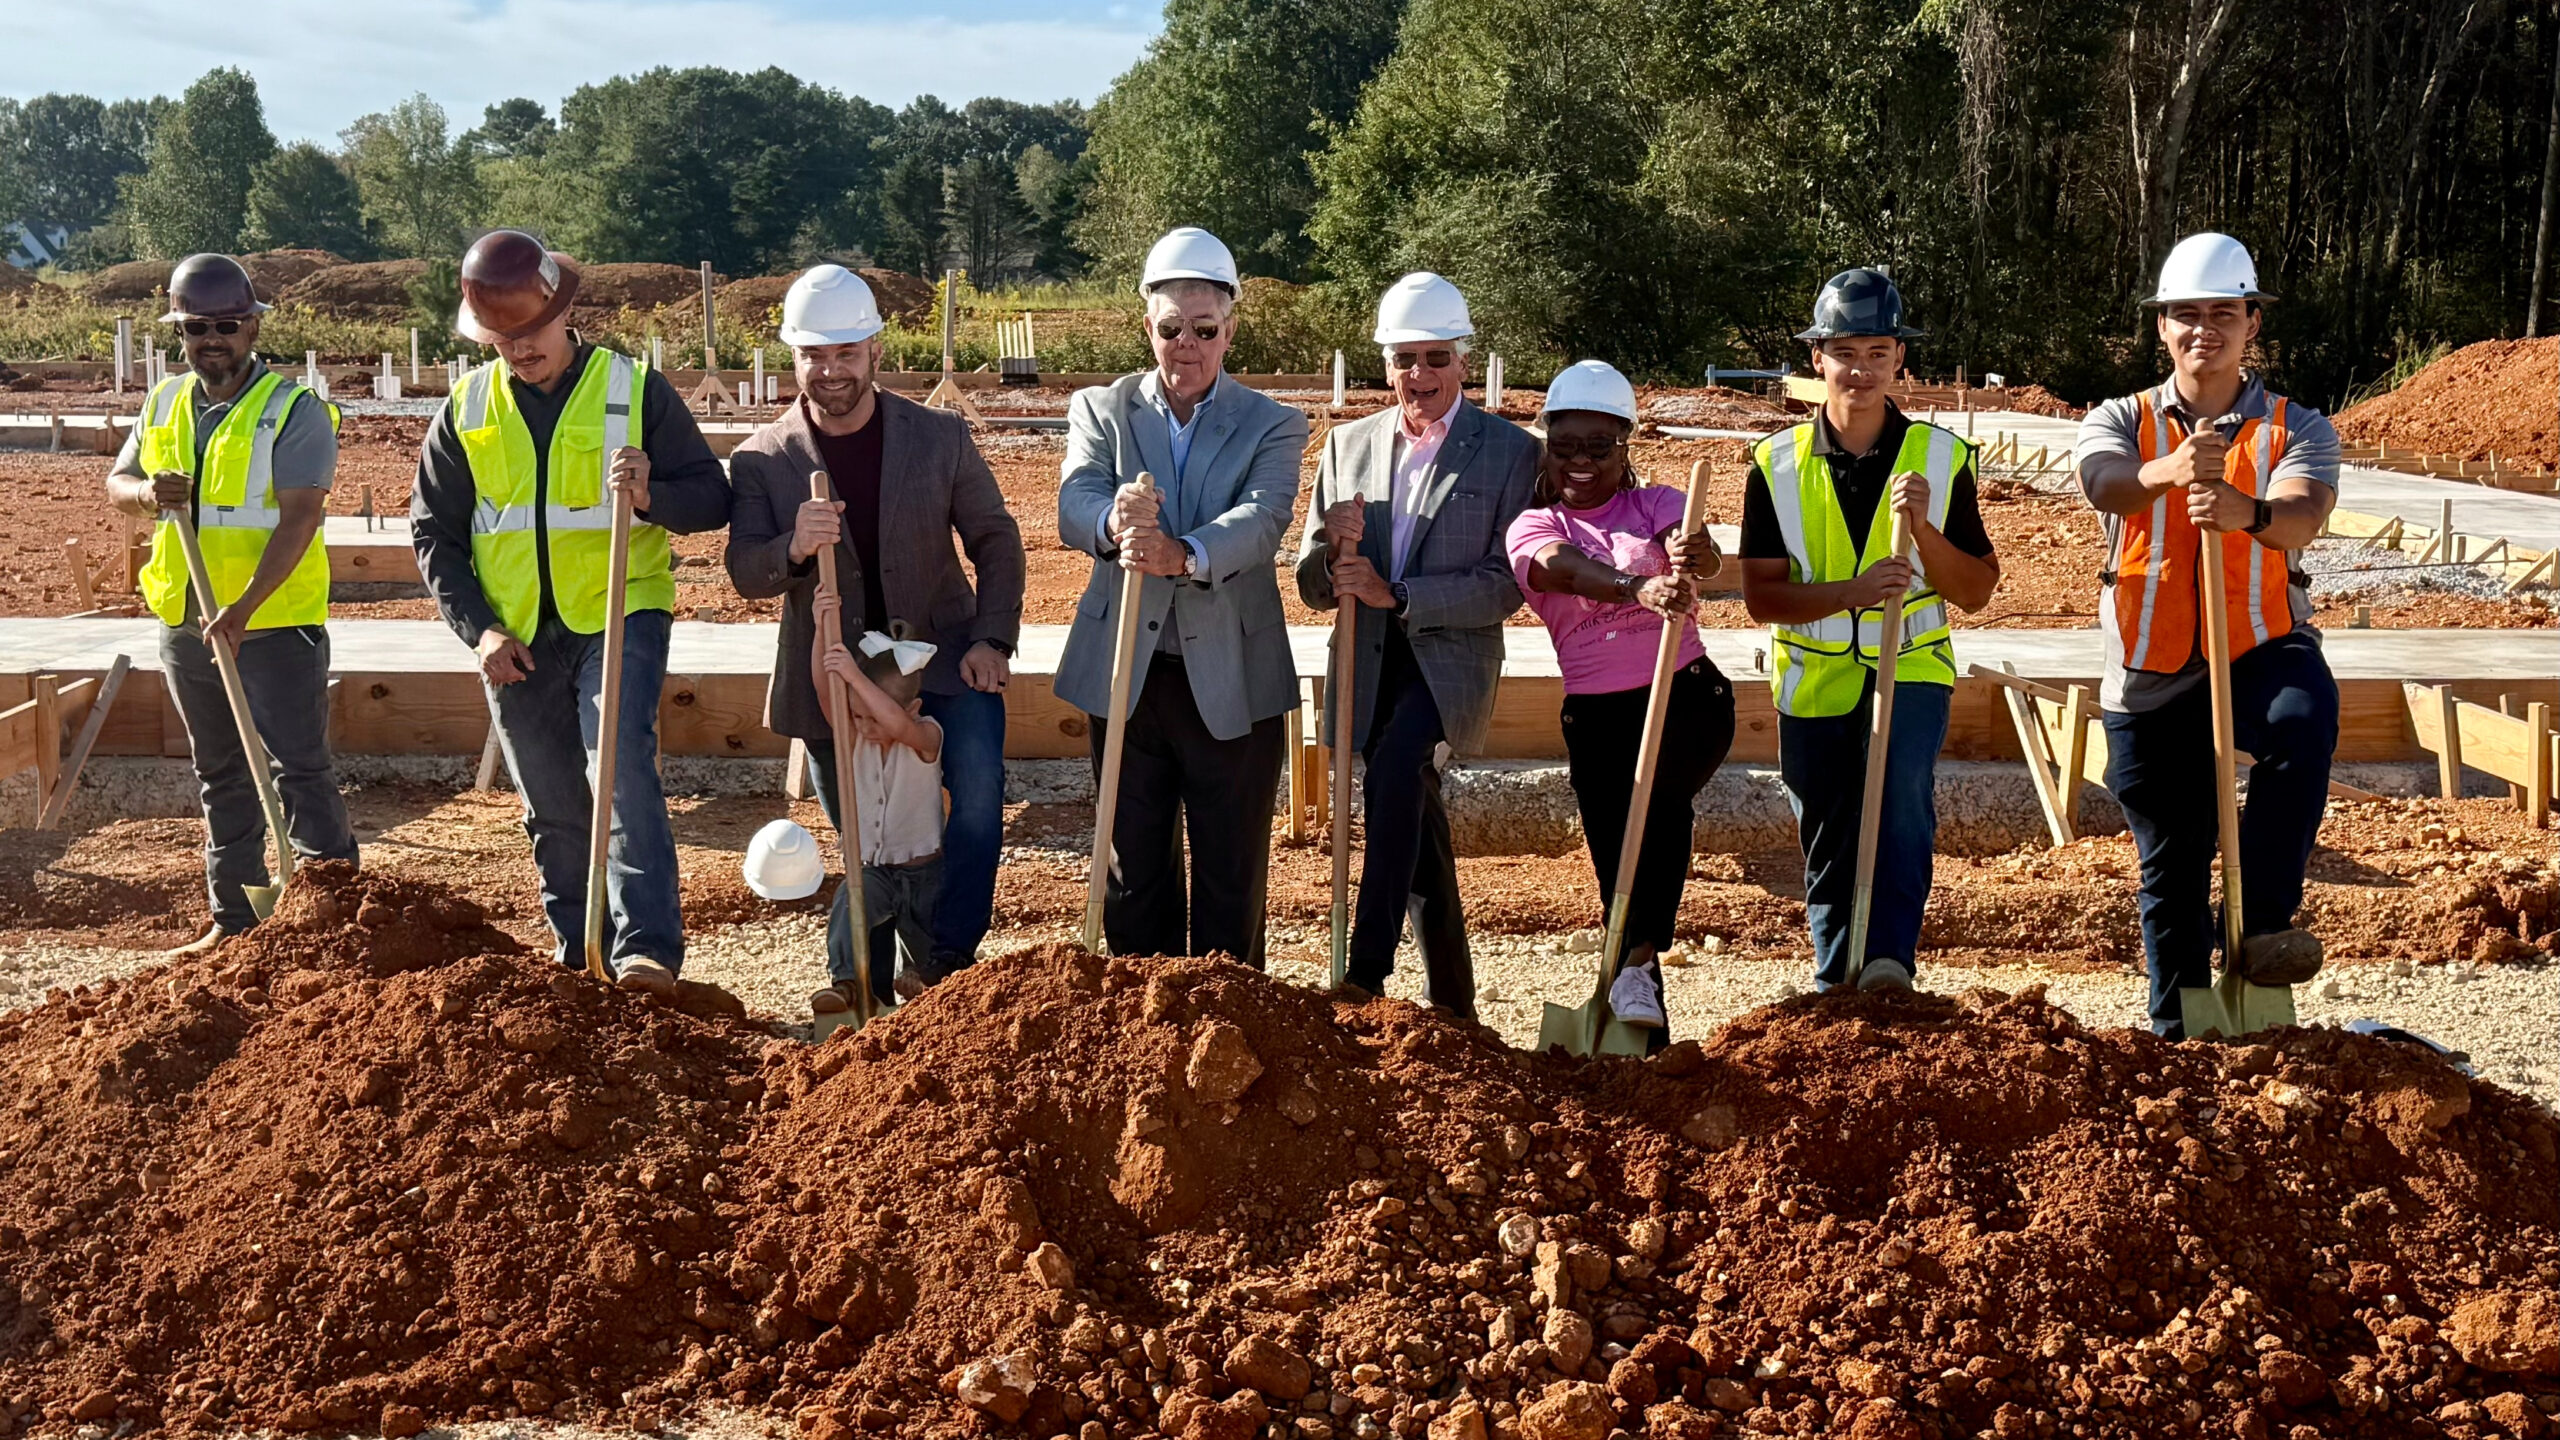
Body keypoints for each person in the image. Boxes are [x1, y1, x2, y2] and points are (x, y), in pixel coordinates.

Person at [411, 230, 731, 994]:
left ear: (563, 312)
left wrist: (652, 494)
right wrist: (479, 630)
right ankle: (580, 956)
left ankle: (645, 954)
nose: (520, 349)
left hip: (621, 612)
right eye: (502, 338)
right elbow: (434, 534)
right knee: (551, 801)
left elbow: (712, 499)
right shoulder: (467, 408)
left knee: (618, 770)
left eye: (531, 331)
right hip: (514, 632)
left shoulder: (633, 389)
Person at [726, 264, 1024, 1001]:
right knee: (867, 838)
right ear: (794, 356)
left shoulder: (939, 437)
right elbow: (745, 570)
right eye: (814, 355)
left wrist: (991, 639)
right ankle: (868, 984)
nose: (831, 370)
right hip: (831, 676)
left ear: (876, 351)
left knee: (977, 797)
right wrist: (794, 547)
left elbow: (996, 540)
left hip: (947, 660)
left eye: (846, 353)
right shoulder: (763, 458)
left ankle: (945, 963)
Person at [2072, 232, 2338, 1037]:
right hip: (2149, 665)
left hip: (2259, 643)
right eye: (2186, 313)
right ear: (2162, 326)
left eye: (2224, 313)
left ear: (2252, 322)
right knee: (2172, 856)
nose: (2204, 329)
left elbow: (2304, 513)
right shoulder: (2119, 418)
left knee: (2302, 720)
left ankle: (2262, 924)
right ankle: (2179, 1028)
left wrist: (2247, 512)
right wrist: (2172, 471)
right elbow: (2104, 483)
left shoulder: (2297, 426)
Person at [1738, 270, 2000, 994]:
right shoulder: (1776, 464)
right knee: (1826, 822)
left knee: (1900, 804)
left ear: (1899, 359)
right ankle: (1835, 971)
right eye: (1845, 353)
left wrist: (1923, 530)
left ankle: (1888, 962)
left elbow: (1975, 591)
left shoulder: (1941, 459)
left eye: (1877, 353)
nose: (1861, 369)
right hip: (1814, 675)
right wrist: (1852, 594)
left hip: (1910, 667)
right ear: (1817, 359)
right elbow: (1761, 597)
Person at [1056, 226, 1308, 967]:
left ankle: (1229, 1016)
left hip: (1232, 675)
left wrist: (1183, 554)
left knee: (1230, 871)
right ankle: (1145, 1014)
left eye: (1204, 329)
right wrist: (1114, 521)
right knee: (1133, 873)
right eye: (1172, 330)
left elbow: (1262, 519)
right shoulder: (1101, 409)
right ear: (1148, 328)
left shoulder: (1273, 423)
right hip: (1126, 675)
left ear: (1230, 328)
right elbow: (1076, 497)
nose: (1186, 346)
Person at [1296, 272, 1539, 1012]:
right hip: (1366, 658)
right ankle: (1454, 1003)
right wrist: (1329, 553)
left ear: (1464, 360)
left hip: (1450, 659)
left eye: (1436, 358)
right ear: (1387, 363)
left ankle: (1366, 970)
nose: (1420, 374)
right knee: (1413, 814)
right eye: (1405, 359)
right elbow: (1311, 584)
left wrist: (1398, 594)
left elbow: (1506, 583)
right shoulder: (1348, 445)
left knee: (1397, 768)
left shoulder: (1509, 452)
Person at [104, 253, 356, 952]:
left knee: (298, 771)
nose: (212, 339)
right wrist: (147, 493)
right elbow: (119, 483)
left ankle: (335, 926)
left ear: (253, 328)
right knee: (220, 772)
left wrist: (243, 608)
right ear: (179, 333)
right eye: (196, 327)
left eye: (226, 325)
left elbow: (299, 518)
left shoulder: (293, 411)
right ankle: (236, 920)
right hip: (187, 623)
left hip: (271, 626)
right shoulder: (163, 403)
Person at [1505, 361, 1733, 1032]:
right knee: (1615, 847)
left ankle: (1632, 959)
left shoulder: (1656, 503)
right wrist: (1637, 588)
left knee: (1657, 803)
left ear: (1624, 446)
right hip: (1597, 712)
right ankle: (1639, 991)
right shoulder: (1532, 525)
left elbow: (1699, 551)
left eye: (1598, 446)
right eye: (1565, 446)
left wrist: (1693, 552)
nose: (1580, 461)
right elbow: (1563, 570)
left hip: (1685, 692)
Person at [807, 612, 948, 1010]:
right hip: (876, 870)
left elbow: (897, 725)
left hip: (924, 873)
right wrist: (822, 629)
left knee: (930, 944)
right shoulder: (857, 740)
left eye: (873, 717)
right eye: (857, 716)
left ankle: (926, 983)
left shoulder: (926, 736)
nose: (865, 726)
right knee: (849, 902)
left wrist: (854, 676)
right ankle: (847, 983)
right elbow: (825, 692)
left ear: (913, 708)